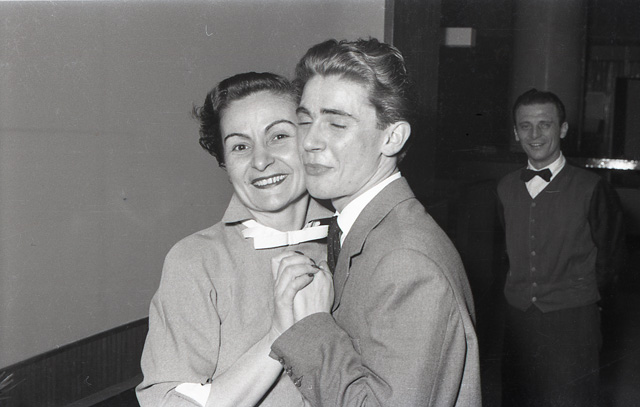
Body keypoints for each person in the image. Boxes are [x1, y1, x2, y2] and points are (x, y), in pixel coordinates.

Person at [269, 38, 481, 406]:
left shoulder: (408, 262)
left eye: (336, 124)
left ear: (392, 137)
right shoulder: (362, 230)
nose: (310, 141)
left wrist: (311, 326)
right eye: (304, 120)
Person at [136, 72, 333, 407]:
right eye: (240, 146)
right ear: (225, 163)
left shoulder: (355, 242)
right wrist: (279, 335)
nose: (261, 160)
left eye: (278, 136)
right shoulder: (195, 262)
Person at [498, 89, 625, 406]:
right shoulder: (504, 187)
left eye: (545, 124)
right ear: (515, 132)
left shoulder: (593, 188)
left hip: (573, 323)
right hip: (518, 320)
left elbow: (611, 263)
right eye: (525, 126)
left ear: (563, 129)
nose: (535, 134)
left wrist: (587, 308)